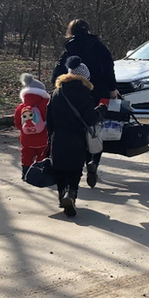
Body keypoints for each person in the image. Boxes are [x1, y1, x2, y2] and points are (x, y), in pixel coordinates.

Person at [50, 19, 117, 188]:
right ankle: (94, 161)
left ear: (71, 31)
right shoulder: (100, 47)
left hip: (73, 93)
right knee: (95, 128)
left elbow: (58, 71)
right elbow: (109, 68)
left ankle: (80, 163)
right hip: (99, 91)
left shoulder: (69, 48)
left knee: (78, 127)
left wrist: (57, 86)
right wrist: (112, 88)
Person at [46, 56, 107, 217]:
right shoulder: (84, 94)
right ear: (84, 77)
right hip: (77, 138)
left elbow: (49, 116)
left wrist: (49, 136)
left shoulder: (57, 92)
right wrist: (100, 111)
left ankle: (62, 195)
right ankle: (71, 193)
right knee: (75, 170)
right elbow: (89, 118)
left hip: (58, 137)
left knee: (59, 169)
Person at [14, 73, 50, 177]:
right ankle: (39, 173)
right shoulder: (46, 104)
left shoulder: (21, 106)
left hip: (26, 138)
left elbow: (17, 123)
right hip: (43, 138)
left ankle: (25, 172)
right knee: (42, 154)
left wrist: (24, 130)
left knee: (26, 154)